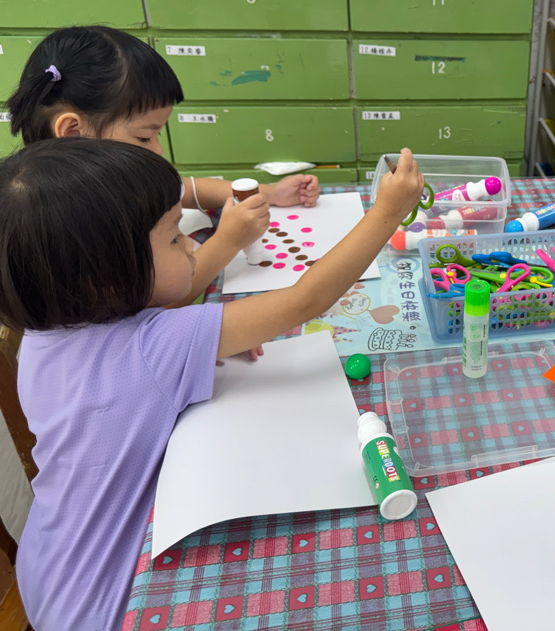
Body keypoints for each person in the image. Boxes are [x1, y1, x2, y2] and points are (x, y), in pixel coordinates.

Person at [0, 140, 423, 630]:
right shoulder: (157, 344)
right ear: (104, 278)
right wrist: (386, 213)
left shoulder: (43, 337)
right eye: (174, 239)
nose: (192, 247)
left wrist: (203, 344)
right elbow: (305, 300)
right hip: (109, 601)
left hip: (46, 568)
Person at [5, 26, 321, 305]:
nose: (158, 150)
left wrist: (269, 192)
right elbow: (165, 302)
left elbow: (187, 189)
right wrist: (229, 240)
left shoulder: (109, 179)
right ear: (73, 132)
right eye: (144, 137)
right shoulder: (80, 224)